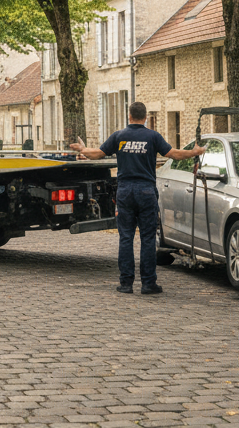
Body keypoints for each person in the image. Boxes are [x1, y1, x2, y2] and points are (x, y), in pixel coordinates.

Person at [71, 102, 205, 295]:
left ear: (129, 116)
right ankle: (148, 284)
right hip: (146, 191)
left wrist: (82, 150)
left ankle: (125, 283)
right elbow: (173, 154)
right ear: (145, 117)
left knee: (126, 237)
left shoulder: (119, 136)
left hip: (125, 191)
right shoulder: (152, 137)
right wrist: (194, 151)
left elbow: (98, 154)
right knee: (148, 238)